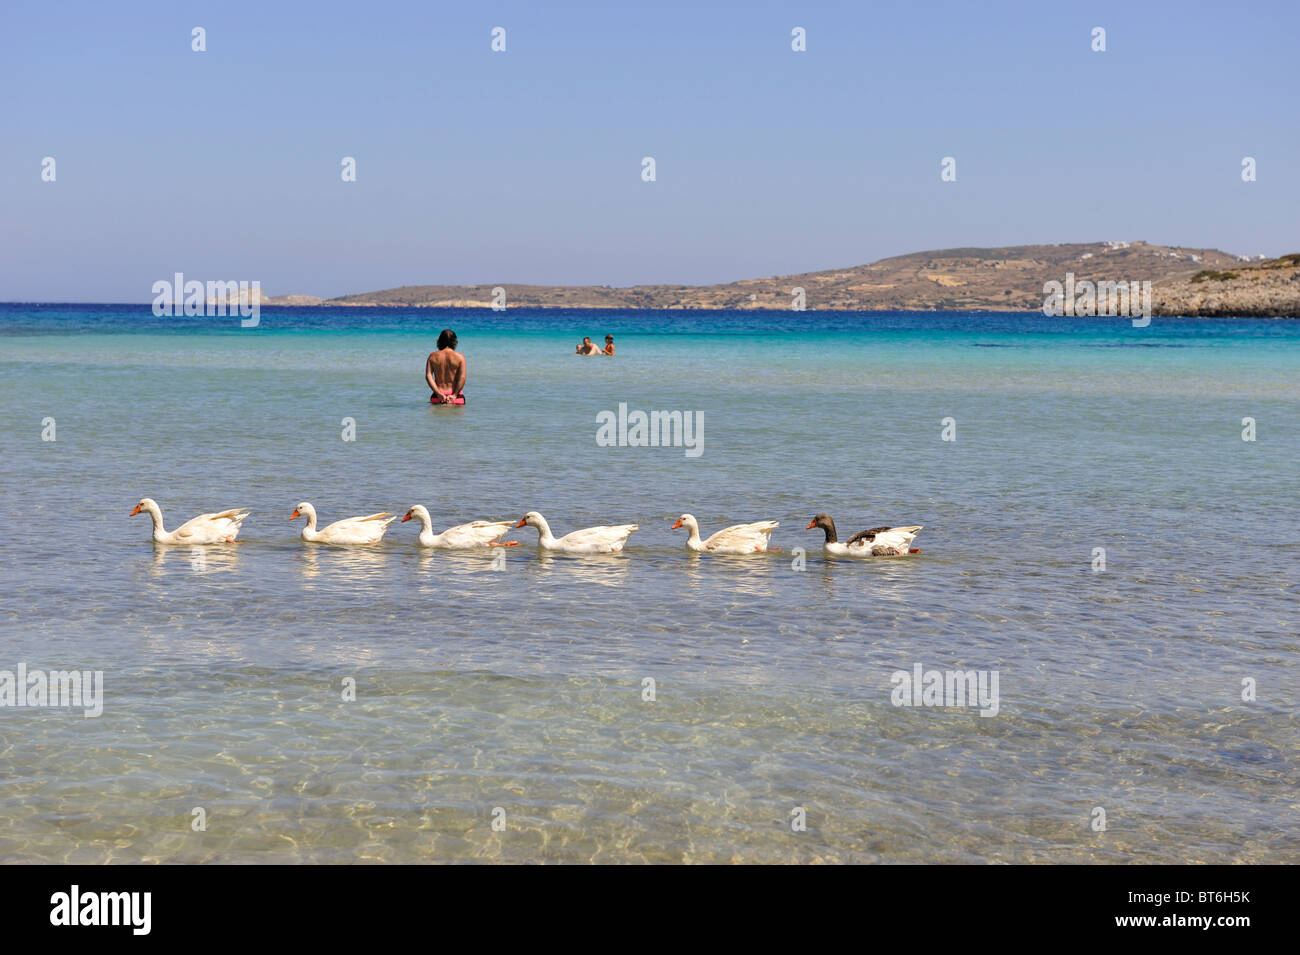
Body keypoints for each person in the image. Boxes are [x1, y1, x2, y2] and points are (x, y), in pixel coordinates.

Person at [426, 329, 466, 404]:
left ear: (439, 341)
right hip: (456, 397)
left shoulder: (432, 357)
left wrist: (438, 393)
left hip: (438, 397)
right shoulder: (460, 357)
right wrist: (454, 395)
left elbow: (428, 376)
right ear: (454, 342)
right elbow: (462, 378)